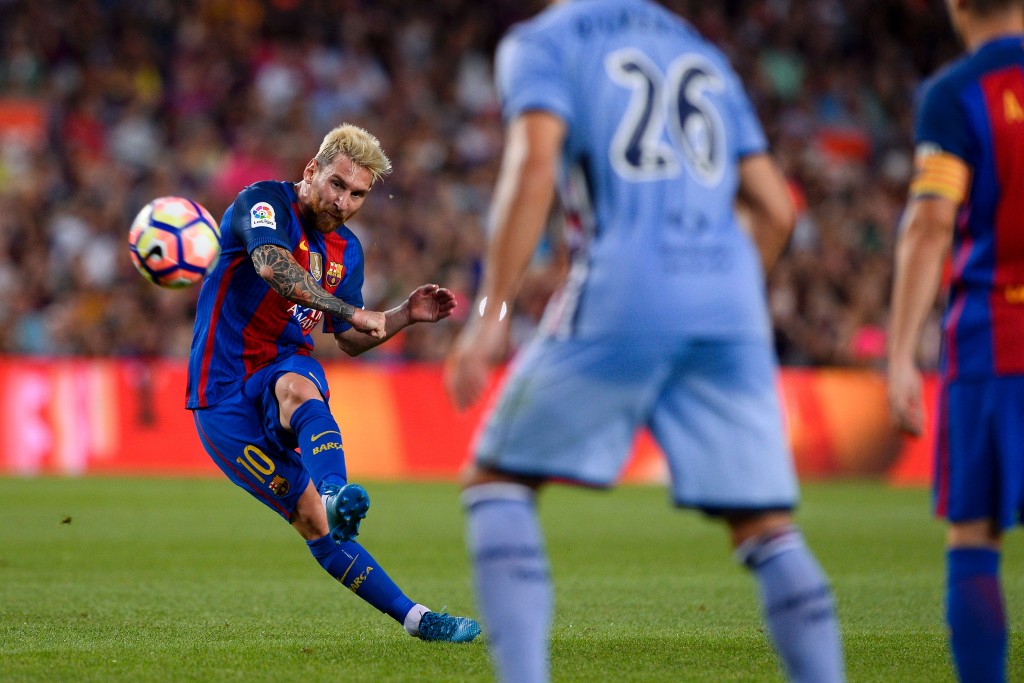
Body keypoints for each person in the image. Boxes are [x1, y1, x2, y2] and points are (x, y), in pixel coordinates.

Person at [444, 1, 845, 681]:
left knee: (497, 478)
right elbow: (777, 209)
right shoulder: (700, 50)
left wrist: (491, 314)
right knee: (764, 524)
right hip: (731, 296)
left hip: (627, 280)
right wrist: (712, 295)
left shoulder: (542, 42)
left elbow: (533, 167)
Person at [187, 122, 480, 643]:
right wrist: (349, 309)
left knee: (298, 388)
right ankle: (392, 589)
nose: (344, 202)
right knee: (311, 522)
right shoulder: (263, 203)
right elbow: (273, 266)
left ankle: (341, 498)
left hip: (282, 365)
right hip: (220, 393)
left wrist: (403, 315)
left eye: (358, 194)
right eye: (337, 184)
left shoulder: (348, 251)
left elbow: (349, 339)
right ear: (312, 171)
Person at [888, 1, 1024, 680]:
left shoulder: (955, 94)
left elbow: (931, 223)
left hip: (993, 339)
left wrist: (899, 352)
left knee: (974, 532)